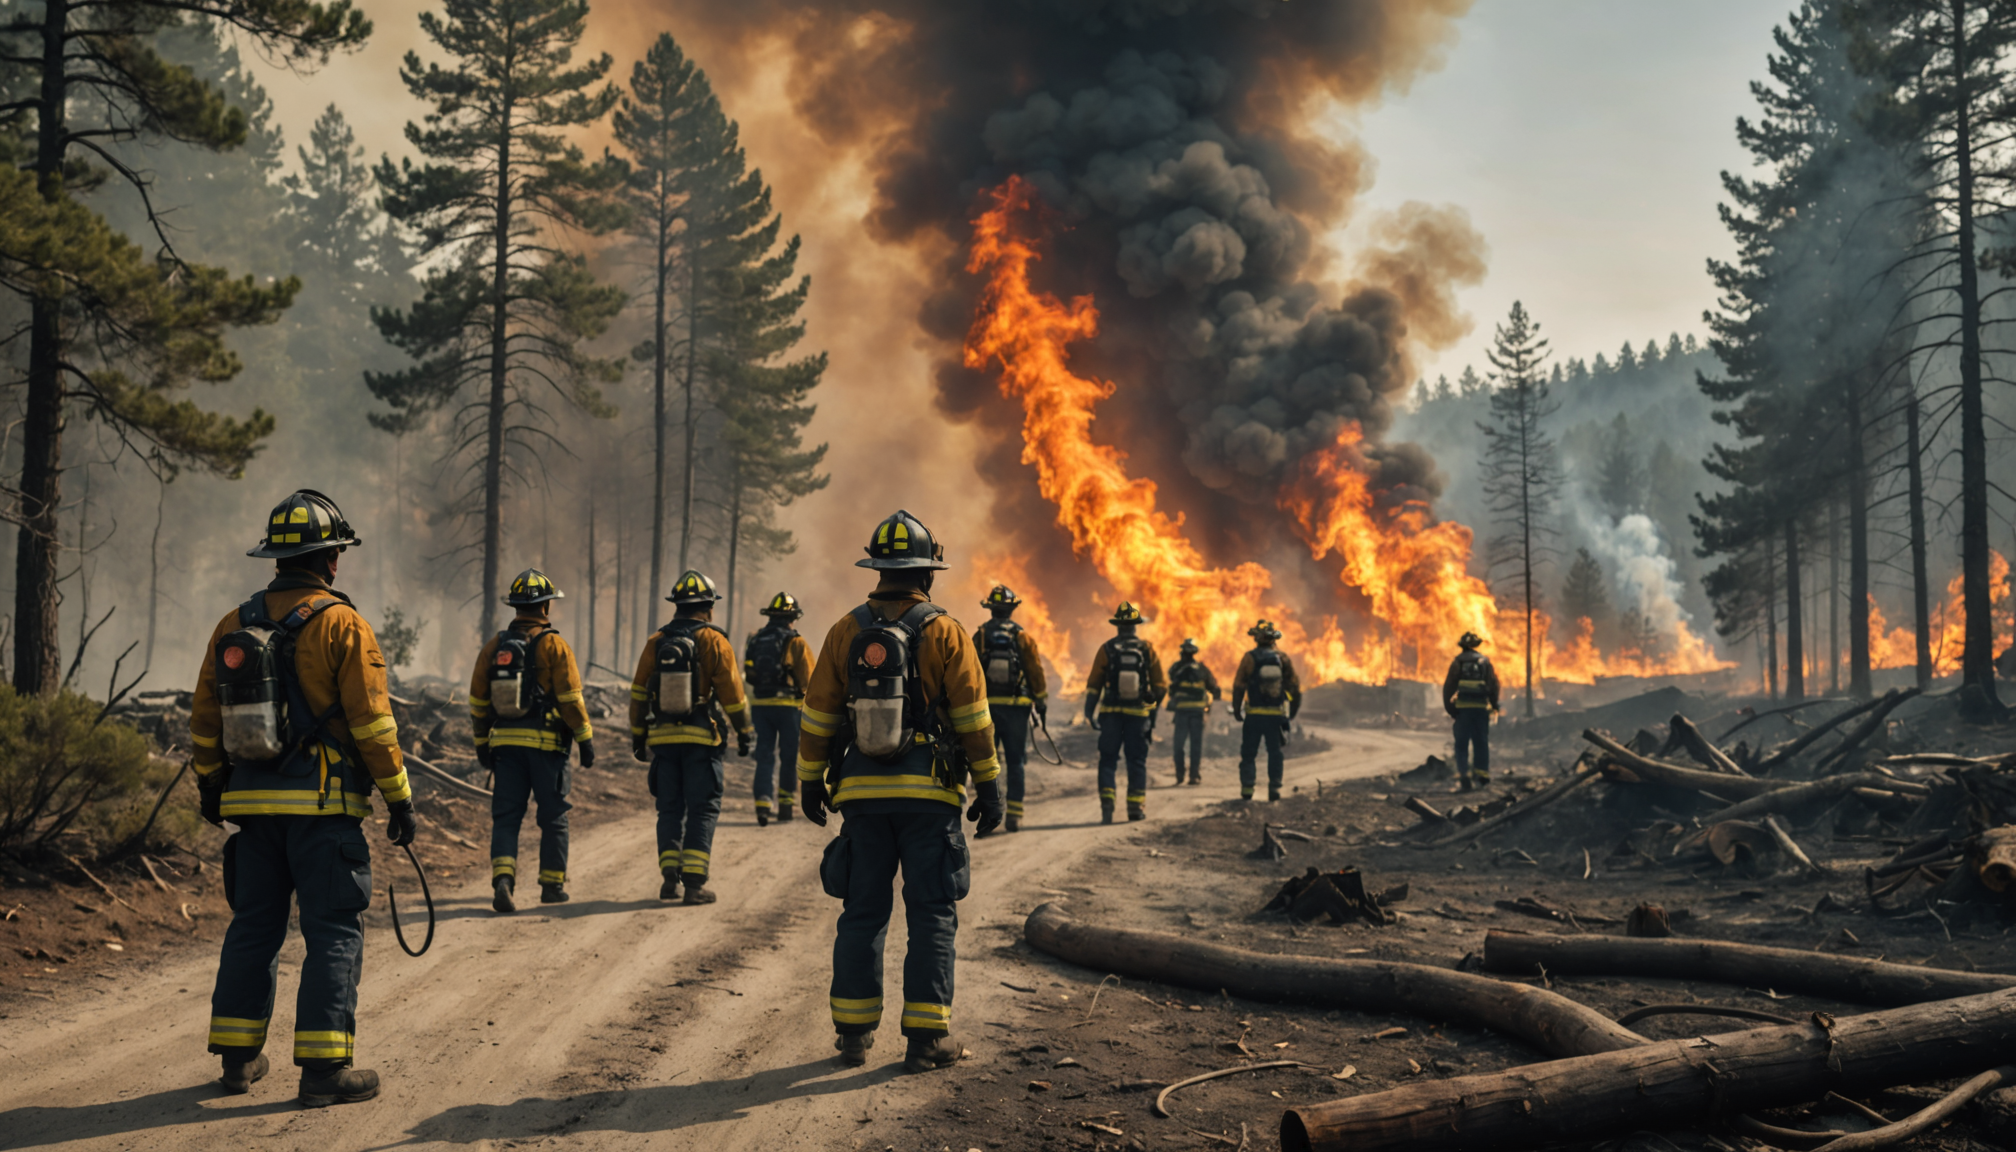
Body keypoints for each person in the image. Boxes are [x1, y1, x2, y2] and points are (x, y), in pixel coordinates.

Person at [190, 489, 417, 1107]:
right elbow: (372, 722)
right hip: (324, 811)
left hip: (251, 811)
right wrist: (399, 798)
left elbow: (205, 718)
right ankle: (323, 1072)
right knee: (334, 931)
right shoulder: (344, 624)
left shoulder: (232, 624)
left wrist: (212, 784)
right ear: (331, 559)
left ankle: (238, 1061)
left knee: (254, 927)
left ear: (276, 558)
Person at [796, 510, 1004, 1074]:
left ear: (878, 569)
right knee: (932, 914)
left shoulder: (845, 630)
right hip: (930, 799)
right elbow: (974, 719)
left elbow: (817, 717)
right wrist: (989, 786)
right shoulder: (946, 632)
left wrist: (810, 781)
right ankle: (926, 1039)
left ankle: (854, 1036)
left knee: (862, 911)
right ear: (927, 573)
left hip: (861, 796)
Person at [468, 569, 594, 912]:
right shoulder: (554, 645)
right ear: (546, 608)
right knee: (553, 817)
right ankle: (552, 886)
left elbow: (479, 701)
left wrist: (482, 743)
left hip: (505, 748)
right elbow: (570, 698)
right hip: (547, 749)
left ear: (516, 608)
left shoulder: (494, 647)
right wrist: (585, 738)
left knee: (506, 817)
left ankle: (504, 882)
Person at [630, 570, 752, 905]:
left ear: (676, 606)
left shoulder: (656, 642)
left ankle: (670, 879)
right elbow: (732, 694)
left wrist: (639, 736)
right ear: (709, 606)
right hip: (702, 738)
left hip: (663, 739)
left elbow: (639, 692)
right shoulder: (714, 641)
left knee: (669, 809)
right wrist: (744, 732)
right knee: (702, 809)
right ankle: (694, 886)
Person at [973, 584, 1047, 832]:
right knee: (1016, 762)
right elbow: (1035, 671)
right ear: (1012, 610)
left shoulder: (981, 636)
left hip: (987, 710)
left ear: (991, 609)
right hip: (1017, 709)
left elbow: (970, 671)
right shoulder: (1021, 636)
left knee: (988, 763)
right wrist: (1041, 701)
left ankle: (992, 813)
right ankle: (1014, 816)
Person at [1083, 603, 1164, 823]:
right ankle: (1135, 808)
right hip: (1137, 716)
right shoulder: (1147, 650)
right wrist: (1151, 713)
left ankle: (1107, 807)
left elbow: (1094, 685)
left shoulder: (1107, 649)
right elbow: (1160, 686)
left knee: (1108, 760)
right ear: (1135, 626)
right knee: (1136, 761)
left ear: (1118, 626)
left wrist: (1089, 713)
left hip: (1110, 714)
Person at [744, 592, 815, 826]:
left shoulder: (755, 639)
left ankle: (762, 804)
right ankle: (785, 807)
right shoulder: (796, 642)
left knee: (764, 755)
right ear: (792, 617)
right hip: (789, 709)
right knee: (788, 757)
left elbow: (749, 674)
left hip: (761, 706)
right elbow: (809, 680)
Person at [1231, 620, 1301, 802]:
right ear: (1273, 639)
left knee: (1248, 753)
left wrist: (1237, 710)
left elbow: (1239, 686)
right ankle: (1274, 789)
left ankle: (1247, 789)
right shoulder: (1282, 658)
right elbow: (1294, 687)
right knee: (1275, 752)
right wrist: (1291, 712)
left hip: (1254, 715)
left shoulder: (1249, 658)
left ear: (1256, 638)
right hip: (1275, 716)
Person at [1442, 631, 1500, 790]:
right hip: (1481, 710)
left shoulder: (1457, 663)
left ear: (1462, 647)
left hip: (1463, 712)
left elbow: (1449, 688)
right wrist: (1494, 705)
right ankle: (1481, 776)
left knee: (1461, 744)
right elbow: (1493, 685)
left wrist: (1450, 709)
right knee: (1481, 742)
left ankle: (1464, 775)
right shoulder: (1484, 662)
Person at [1165, 638, 1221, 785]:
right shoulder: (1200, 669)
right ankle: (1192, 776)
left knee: (1180, 745)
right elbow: (1214, 689)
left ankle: (1182, 775)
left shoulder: (1178, 668)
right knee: (1193, 746)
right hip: (1195, 713)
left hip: (1185, 713)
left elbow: (1171, 679)